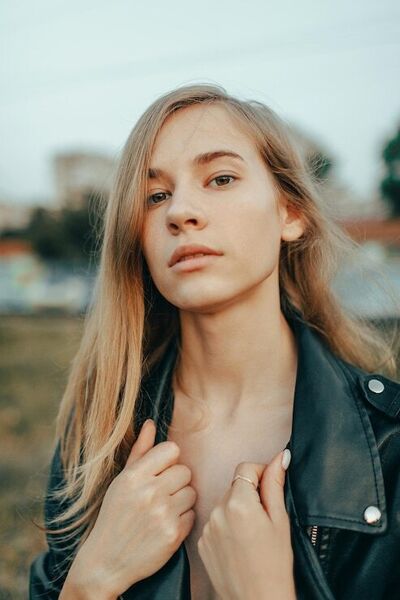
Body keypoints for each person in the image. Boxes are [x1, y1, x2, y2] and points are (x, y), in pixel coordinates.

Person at [29, 83, 400, 600]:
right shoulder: (100, 429)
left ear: (291, 213)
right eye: (156, 195)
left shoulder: (388, 444)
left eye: (220, 178)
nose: (180, 211)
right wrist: (90, 581)